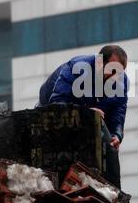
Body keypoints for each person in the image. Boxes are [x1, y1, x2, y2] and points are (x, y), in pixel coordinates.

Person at [38, 45, 128, 189]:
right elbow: (57, 103)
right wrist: (85, 113)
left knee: (108, 148)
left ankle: (113, 193)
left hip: (88, 117)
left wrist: (117, 133)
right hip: (51, 113)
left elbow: (119, 109)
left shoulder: (120, 82)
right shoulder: (76, 68)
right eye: (111, 71)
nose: (114, 77)